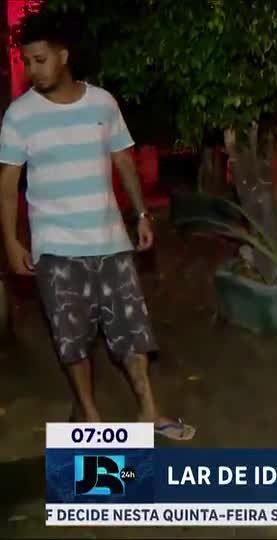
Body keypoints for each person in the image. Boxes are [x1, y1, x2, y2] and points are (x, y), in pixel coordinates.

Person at [0, 14, 195, 440]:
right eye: (27, 62)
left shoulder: (103, 103)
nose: (32, 70)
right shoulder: (19, 115)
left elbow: (123, 158)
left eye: (40, 60)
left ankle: (149, 411)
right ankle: (91, 417)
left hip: (110, 240)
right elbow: (8, 183)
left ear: (63, 56)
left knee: (132, 330)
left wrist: (141, 215)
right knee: (72, 339)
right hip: (56, 247)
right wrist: (12, 242)